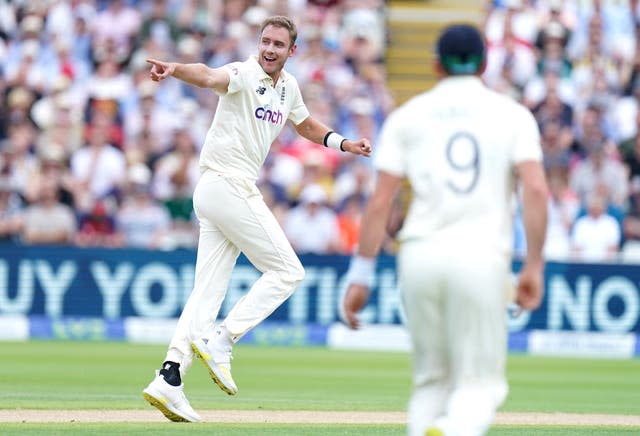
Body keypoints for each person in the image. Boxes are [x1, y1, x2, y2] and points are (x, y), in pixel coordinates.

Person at [142, 15, 371, 423]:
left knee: (206, 292)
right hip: (227, 184)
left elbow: (304, 124)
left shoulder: (289, 88)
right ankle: (224, 340)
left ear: (291, 51)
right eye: (265, 41)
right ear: (257, 43)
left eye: (278, 45)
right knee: (288, 272)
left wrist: (343, 143)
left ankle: (170, 376)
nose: (269, 49)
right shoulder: (242, 73)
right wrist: (175, 69)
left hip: (217, 194)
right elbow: (209, 76)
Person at [342, 24, 548, 436]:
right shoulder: (513, 115)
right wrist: (534, 267)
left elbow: (381, 201)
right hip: (481, 257)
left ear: (436, 65)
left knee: (431, 383)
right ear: (485, 63)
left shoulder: (407, 115)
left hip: (418, 257)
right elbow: (537, 190)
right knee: (479, 386)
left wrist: (360, 276)